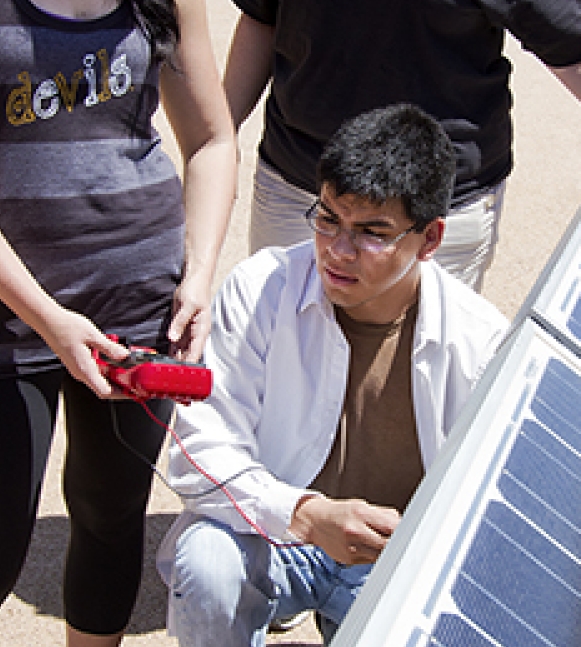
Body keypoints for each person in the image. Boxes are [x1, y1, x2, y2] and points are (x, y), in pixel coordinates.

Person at [0, 0, 236, 643]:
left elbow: (213, 140)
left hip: (139, 296)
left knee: (111, 513)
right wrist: (46, 314)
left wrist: (200, 273)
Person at [155, 103, 510, 646]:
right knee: (207, 565)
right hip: (277, 533)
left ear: (431, 239)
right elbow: (198, 446)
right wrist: (304, 513)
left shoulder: (479, 341)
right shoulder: (261, 289)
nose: (338, 252)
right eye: (327, 219)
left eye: (372, 232)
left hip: (390, 563)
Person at [222, 0, 581, 291]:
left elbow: (575, 45)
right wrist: (215, 137)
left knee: (409, 393)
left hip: (432, 214)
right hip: (300, 192)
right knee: (288, 358)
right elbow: (264, 14)